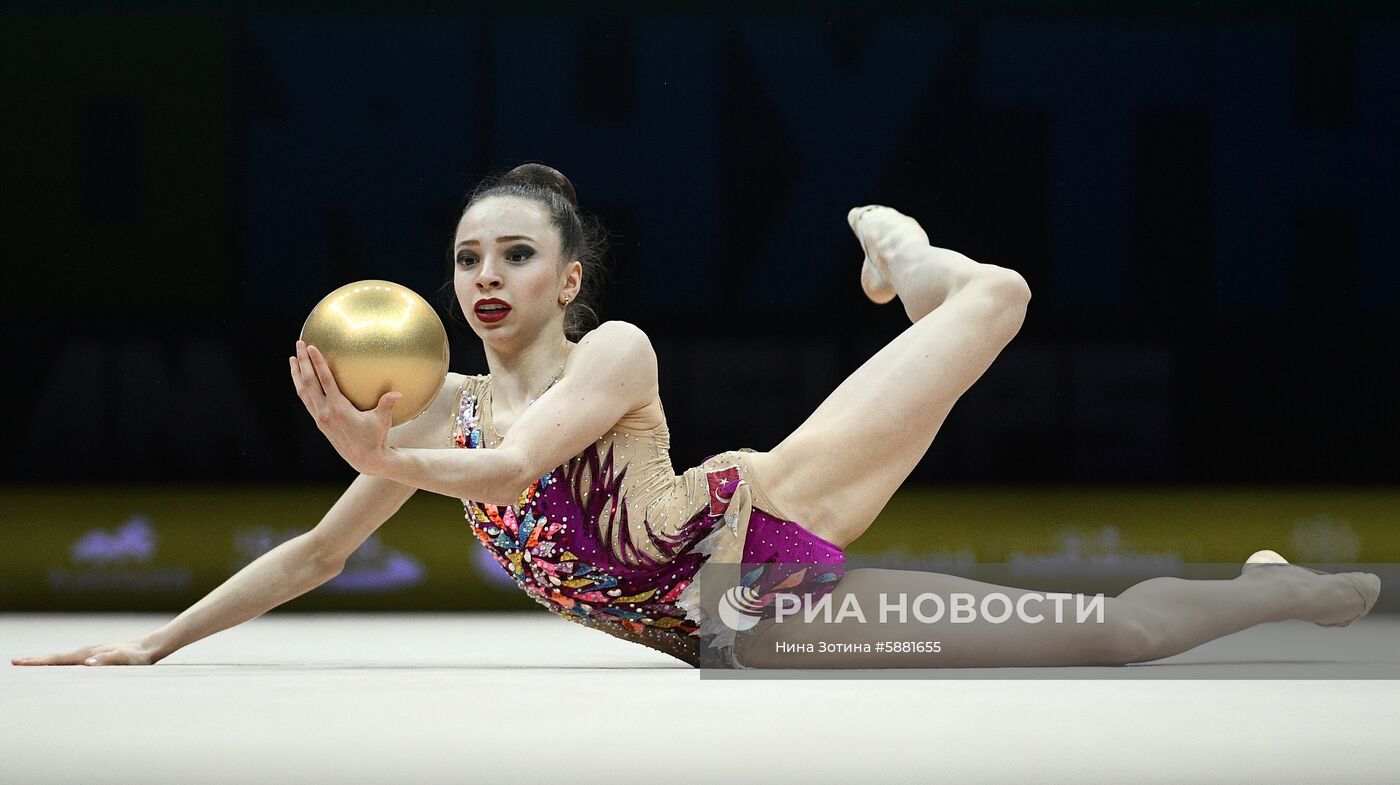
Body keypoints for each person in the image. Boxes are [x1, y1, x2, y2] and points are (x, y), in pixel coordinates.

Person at [13, 164, 1380, 670]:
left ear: (569, 276)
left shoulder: (612, 352)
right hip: (718, 618)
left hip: (756, 555)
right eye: (464, 259)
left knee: (1006, 306)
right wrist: (160, 637)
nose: (481, 279)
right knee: (1108, 620)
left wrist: (393, 452)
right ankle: (1270, 586)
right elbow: (319, 551)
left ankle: (907, 257)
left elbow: (533, 459)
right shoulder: (451, 411)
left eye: (511, 256)